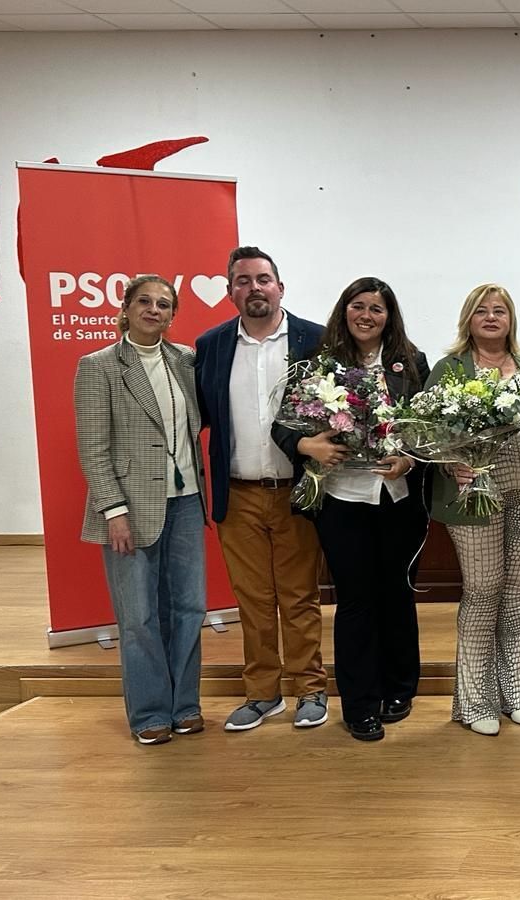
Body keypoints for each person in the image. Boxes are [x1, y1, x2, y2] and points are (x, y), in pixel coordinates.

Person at [284, 277, 428, 742]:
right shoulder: (319, 363)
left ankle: (399, 687)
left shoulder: (412, 362)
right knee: (356, 601)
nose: (367, 315)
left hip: (397, 499)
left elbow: (427, 430)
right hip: (342, 499)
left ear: (389, 317)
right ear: (344, 310)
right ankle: (360, 703)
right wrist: (308, 445)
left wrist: (409, 459)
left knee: (397, 595)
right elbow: (284, 426)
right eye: (358, 306)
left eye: (377, 309)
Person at [195, 246, 329, 733]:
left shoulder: (316, 340)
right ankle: (262, 694)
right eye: (243, 280)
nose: (254, 288)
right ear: (230, 291)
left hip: (297, 490)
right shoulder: (210, 346)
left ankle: (310, 690)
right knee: (252, 601)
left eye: (263, 279)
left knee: (298, 598)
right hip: (238, 494)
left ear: (280, 287)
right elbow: (201, 416)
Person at [74, 275, 206, 744]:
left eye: (164, 304)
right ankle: (150, 713)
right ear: (126, 307)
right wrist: (113, 510)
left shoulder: (185, 360)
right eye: (145, 302)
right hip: (129, 508)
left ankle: (185, 705)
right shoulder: (99, 366)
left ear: (173, 314)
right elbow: (93, 448)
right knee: (139, 616)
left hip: (186, 501)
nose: (154, 310)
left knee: (189, 608)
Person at [430, 284, 520, 736]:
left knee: (517, 592)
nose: (491, 317)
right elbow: (428, 434)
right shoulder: (450, 369)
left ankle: (518, 692)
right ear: (469, 318)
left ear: (510, 319)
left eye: (499, 310)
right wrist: (451, 463)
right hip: (476, 496)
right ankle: (475, 700)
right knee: (483, 590)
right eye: (481, 310)